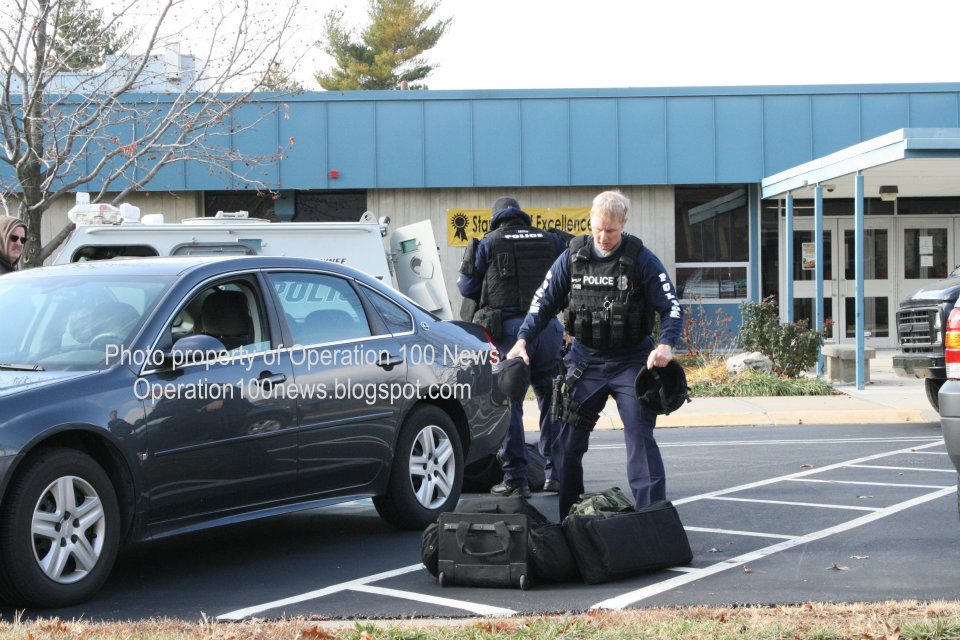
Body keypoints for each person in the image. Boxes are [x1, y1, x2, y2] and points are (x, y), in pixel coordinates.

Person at [506, 190, 684, 517]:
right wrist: (522, 340)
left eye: (611, 230)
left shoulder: (641, 259)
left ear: (624, 224)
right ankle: (571, 521)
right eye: (598, 228)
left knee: (640, 438)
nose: (603, 237)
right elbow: (541, 304)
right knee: (565, 443)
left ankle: (652, 520)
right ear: (590, 222)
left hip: (632, 361)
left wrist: (665, 345)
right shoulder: (572, 258)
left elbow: (671, 309)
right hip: (585, 361)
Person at [458, 196, 568, 497]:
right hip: (548, 331)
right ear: (520, 215)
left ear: (495, 218)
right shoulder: (550, 240)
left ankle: (516, 480)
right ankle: (555, 475)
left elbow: (467, 288)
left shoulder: (488, 243)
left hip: (509, 334)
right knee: (553, 402)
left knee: (509, 406)